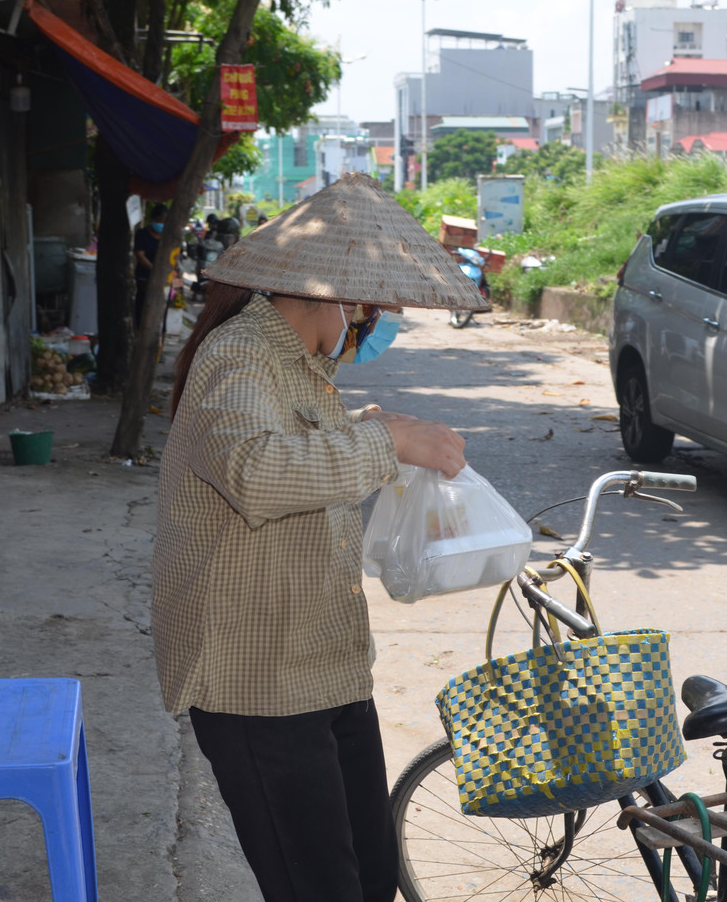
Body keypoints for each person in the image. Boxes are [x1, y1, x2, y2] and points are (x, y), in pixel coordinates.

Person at [152, 172, 487, 902]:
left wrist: (367, 430)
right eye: (367, 308)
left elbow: (301, 457)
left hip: (323, 666)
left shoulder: (302, 368)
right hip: (258, 682)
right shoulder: (238, 357)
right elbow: (255, 469)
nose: (370, 324)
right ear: (327, 292)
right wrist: (388, 440)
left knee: (369, 876)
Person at [134, 204, 167, 322]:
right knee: (143, 303)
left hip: (163, 276)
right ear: (153, 219)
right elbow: (140, 255)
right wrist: (153, 269)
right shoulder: (142, 234)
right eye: (159, 221)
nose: (161, 225)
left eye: (164, 222)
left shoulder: (167, 236)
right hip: (145, 275)